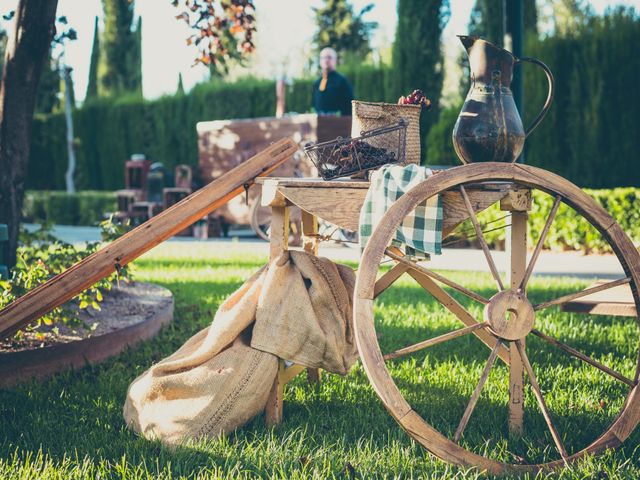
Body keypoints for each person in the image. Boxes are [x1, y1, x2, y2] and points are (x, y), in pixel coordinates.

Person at [312, 47, 354, 116]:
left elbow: (349, 107)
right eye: (323, 58)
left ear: (335, 60)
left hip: (338, 123)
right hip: (320, 123)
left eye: (329, 57)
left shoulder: (343, 81)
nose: (326, 60)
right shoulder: (317, 83)